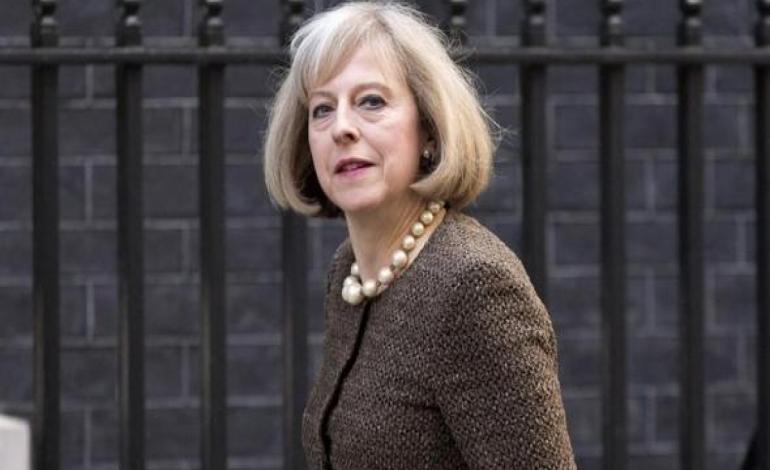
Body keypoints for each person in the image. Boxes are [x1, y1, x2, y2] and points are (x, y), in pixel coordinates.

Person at [263, 2, 576, 468]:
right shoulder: (350, 271)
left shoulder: (473, 286)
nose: (342, 128)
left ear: (428, 130)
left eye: (371, 101)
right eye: (322, 108)